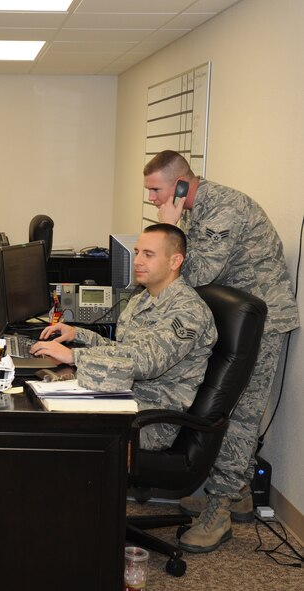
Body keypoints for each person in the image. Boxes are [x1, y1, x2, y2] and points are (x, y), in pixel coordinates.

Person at [143, 150, 299, 553]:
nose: (152, 199)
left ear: (181, 184)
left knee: (241, 413)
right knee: (231, 409)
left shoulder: (223, 209)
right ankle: (238, 490)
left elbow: (192, 275)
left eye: (156, 190)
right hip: (237, 318)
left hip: (261, 322)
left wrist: (168, 227)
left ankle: (221, 509)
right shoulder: (200, 208)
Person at [30, 224, 217, 451]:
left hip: (148, 420)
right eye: (137, 252)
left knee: (56, 432)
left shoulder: (187, 311)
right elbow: (124, 349)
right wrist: (79, 334)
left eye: (148, 255)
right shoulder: (143, 297)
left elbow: (146, 361)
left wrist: (75, 356)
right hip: (120, 397)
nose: (137, 261)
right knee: (40, 412)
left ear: (175, 261)